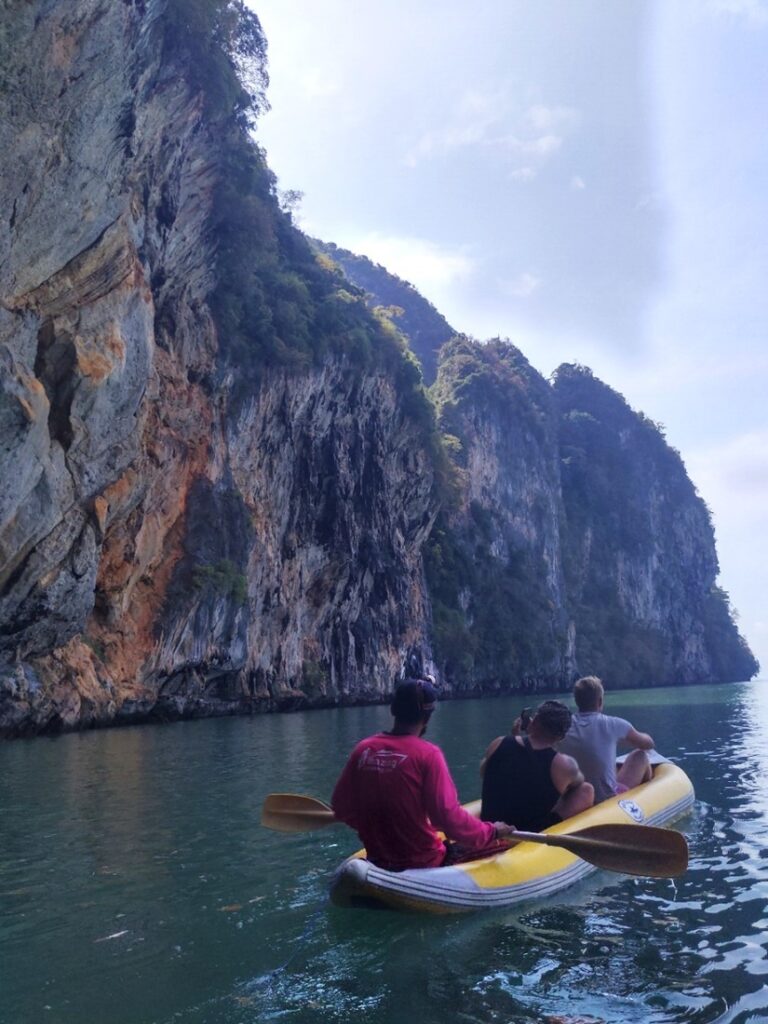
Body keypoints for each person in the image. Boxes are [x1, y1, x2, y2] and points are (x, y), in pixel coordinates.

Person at [331, 679, 515, 871]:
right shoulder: (428, 755)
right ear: (427, 717)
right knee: (505, 845)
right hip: (425, 862)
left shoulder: (363, 749)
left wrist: (377, 827)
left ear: (393, 709)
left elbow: (341, 807)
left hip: (377, 858)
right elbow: (447, 819)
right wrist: (493, 831)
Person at [480, 700, 594, 831]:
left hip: (490, 830)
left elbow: (485, 773)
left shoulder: (498, 742)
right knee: (587, 790)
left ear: (534, 721)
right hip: (528, 834)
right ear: (562, 737)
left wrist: (514, 737)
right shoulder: (564, 765)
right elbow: (579, 782)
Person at [557, 675, 654, 803]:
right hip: (607, 800)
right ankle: (647, 803)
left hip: (576, 800)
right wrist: (624, 740)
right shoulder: (613, 724)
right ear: (600, 701)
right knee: (640, 756)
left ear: (576, 701)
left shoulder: (563, 727)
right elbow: (648, 744)